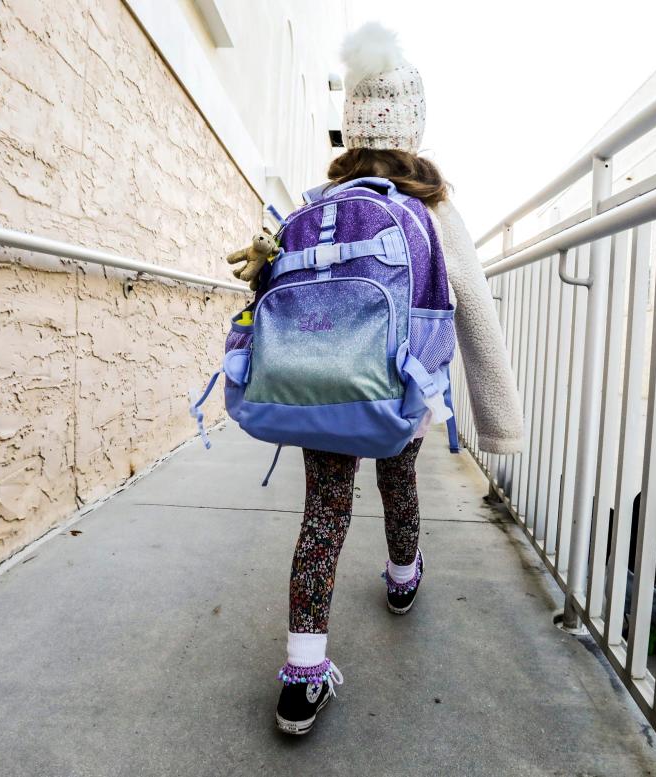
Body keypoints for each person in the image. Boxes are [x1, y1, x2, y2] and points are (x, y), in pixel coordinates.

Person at [239, 22, 523, 735]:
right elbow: (477, 312)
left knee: (325, 512)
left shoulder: (313, 210)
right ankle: (402, 578)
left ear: (350, 130)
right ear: (413, 130)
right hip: (396, 390)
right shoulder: (430, 207)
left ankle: (303, 676)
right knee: (399, 479)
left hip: (318, 387)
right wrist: (499, 423)